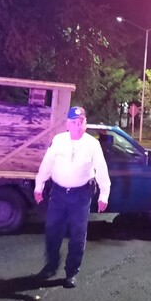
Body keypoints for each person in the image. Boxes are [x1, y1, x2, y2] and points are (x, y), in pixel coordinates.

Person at [34, 106, 111, 288]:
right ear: (67, 124)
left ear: (85, 124)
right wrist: (39, 185)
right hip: (59, 193)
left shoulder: (92, 144)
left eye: (80, 122)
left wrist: (104, 194)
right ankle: (51, 266)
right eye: (73, 122)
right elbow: (47, 164)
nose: (77, 125)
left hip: (81, 195)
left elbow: (101, 169)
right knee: (53, 230)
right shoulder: (58, 140)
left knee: (77, 234)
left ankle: (71, 272)